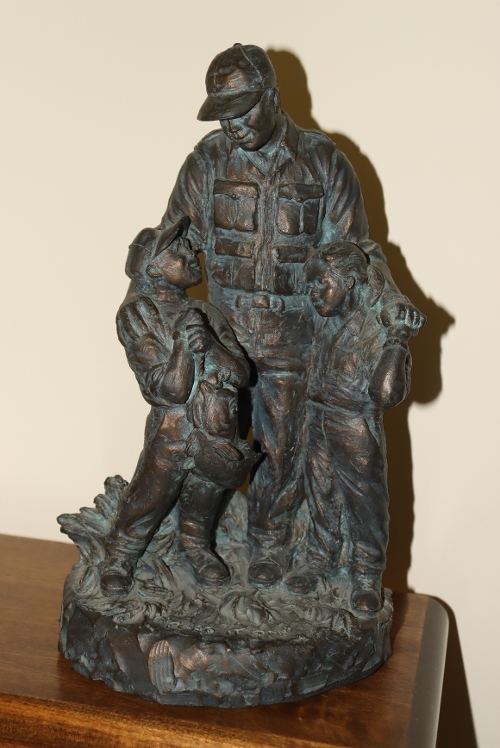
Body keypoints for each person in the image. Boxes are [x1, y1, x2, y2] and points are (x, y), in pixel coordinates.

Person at [159, 44, 425, 586]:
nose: (233, 125)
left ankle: (270, 542)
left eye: (243, 109)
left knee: (283, 447)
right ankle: (193, 539)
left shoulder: (324, 163)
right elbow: (168, 247)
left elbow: (354, 255)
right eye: (222, 114)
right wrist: (152, 315)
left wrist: (388, 310)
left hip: (294, 336)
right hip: (222, 334)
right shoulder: (205, 163)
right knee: (208, 441)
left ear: (273, 98)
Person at [101, 217, 255, 595]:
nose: (191, 253)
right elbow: (169, 391)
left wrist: (211, 344)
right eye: (178, 249)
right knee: (153, 494)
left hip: (216, 427)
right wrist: (185, 347)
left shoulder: (208, 313)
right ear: (153, 268)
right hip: (173, 429)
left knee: (205, 492)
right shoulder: (138, 314)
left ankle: (195, 546)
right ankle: (121, 555)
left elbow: (241, 374)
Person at [300, 241, 424, 612]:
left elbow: (386, 394)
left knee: (363, 503)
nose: (313, 292)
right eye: (311, 284)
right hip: (317, 417)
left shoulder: (378, 329)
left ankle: (366, 574)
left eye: (322, 283)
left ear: (350, 282)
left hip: (354, 423)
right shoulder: (324, 317)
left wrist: (397, 340)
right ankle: (320, 558)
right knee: (319, 492)